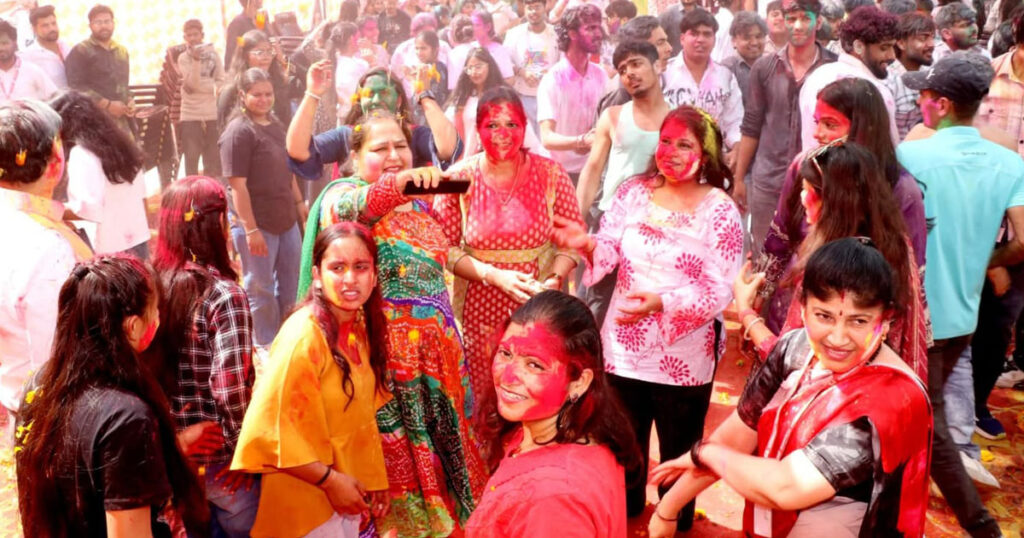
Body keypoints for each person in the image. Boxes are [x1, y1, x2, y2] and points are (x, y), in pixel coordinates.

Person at [647, 238, 932, 538]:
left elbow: (786, 487)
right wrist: (669, 507)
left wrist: (705, 454)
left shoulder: (894, 399)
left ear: (885, 321)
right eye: (824, 316)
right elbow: (736, 438)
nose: (837, 338)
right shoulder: (795, 349)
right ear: (804, 307)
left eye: (858, 321)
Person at [552, 105, 743, 532]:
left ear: (706, 155)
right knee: (624, 452)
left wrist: (662, 302)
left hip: (685, 358)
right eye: (665, 141)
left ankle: (674, 518)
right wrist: (585, 243)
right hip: (623, 348)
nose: (671, 151)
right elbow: (609, 249)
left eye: (684, 144)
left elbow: (720, 288)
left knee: (679, 455)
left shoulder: (720, 210)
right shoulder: (633, 192)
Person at [296, 111, 488, 535]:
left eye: (400, 145)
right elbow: (364, 204)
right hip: (388, 365)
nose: (394, 155)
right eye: (379, 149)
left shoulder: (419, 205)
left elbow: (442, 258)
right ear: (355, 157)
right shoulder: (344, 196)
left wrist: (492, 274)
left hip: (439, 359)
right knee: (399, 467)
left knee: (451, 466)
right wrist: (404, 181)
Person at [898, 51, 1024, 538]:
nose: (920, 103)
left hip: (914, 318)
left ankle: (978, 523)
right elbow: (1020, 241)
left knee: (924, 425)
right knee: (919, 416)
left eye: (924, 96)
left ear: (942, 103)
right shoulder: (1007, 161)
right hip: (962, 317)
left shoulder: (911, 156)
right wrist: (984, 262)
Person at [16, 254, 209, 537]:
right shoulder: (126, 417)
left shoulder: (39, 386)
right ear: (132, 327)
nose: (158, 318)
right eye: (155, 310)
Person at [231, 223, 391, 537]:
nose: (349, 279)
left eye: (360, 267)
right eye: (337, 268)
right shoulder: (303, 337)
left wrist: (375, 479)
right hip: (304, 511)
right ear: (317, 274)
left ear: (374, 275)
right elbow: (271, 435)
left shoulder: (357, 325)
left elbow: (359, 423)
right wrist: (330, 482)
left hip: (343, 500)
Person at [433, 86, 585, 405]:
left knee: (532, 392)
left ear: (525, 127)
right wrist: (494, 275)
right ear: (478, 129)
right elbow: (443, 248)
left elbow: (572, 242)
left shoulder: (551, 174)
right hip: (477, 310)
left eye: (512, 125)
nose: (502, 134)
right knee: (484, 396)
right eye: (492, 125)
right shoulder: (459, 177)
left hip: (538, 306)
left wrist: (554, 279)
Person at [740, 140, 929, 387]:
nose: (803, 198)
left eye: (811, 191)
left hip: (835, 400)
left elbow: (794, 361)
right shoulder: (897, 244)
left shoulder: (831, 261)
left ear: (838, 201)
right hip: (884, 390)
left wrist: (745, 312)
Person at [756, 78, 928, 334]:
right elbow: (779, 237)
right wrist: (759, 295)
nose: (817, 134)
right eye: (817, 123)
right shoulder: (806, 167)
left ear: (864, 128)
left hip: (856, 328)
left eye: (830, 124)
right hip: (791, 312)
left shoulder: (899, 189)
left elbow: (909, 277)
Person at [464, 291, 640, 536]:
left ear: (578, 382)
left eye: (534, 364)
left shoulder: (554, 500)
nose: (507, 376)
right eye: (505, 353)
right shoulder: (546, 430)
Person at [147, 175, 258, 537]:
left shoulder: (149, 285)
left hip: (174, 460)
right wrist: (245, 451)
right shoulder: (224, 295)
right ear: (219, 224)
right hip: (224, 464)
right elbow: (229, 389)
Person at [0, 99, 92, 444]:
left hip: (15, 405)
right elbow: (55, 356)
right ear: (56, 161)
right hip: (52, 424)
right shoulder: (44, 245)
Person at [575, 41, 670, 327]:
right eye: (622, 69)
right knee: (593, 304)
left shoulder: (679, 119)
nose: (629, 73)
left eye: (637, 63)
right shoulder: (613, 116)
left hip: (657, 227)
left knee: (644, 306)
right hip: (609, 224)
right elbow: (592, 169)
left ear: (657, 65)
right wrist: (578, 221)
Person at [733, 0, 836, 257]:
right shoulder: (765, 68)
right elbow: (752, 125)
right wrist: (739, 178)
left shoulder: (833, 67)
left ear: (818, 21)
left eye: (805, 18)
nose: (797, 25)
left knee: (814, 255)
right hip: (769, 180)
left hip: (819, 180)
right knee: (765, 255)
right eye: (791, 19)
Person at [220, 68, 306, 348]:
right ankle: (266, 343)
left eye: (268, 93)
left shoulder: (278, 126)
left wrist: (298, 204)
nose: (264, 99)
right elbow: (237, 187)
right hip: (258, 224)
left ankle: (288, 336)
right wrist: (250, 229)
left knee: (292, 279)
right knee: (261, 288)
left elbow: (289, 171)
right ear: (242, 96)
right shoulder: (238, 133)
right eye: (256, 94)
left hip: (286, 219)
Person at [287, 64, 461, 183]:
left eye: (384, 93)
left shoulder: (414, 134)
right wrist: (312, 94)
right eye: (369, 95)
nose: (376, 100)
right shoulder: (346, 135)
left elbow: (448, 148)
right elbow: (298, 151)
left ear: (399, 100)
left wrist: (423, 94)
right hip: (355, 231)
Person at [51, 91, 149, 258]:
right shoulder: (123, 144)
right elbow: (142, 197)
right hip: (139, 239)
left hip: (109, 249)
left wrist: (50, 210)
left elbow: (88, 209)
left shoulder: (82, 154)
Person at [797, 5, 900, 152]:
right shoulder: (875, 90)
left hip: (812, 171)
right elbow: (889, 151)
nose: (892, 56)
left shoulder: (816, 76)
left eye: (893, 48)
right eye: (884, 48)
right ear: (859, 46)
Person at [537, 4, 608, 183]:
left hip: (593, 170)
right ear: (572, 34)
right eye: (590, 28)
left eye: (598, 26)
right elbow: (547, 138)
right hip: (558, 174)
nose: (598, 33)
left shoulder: (600, 76)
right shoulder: (553, 80)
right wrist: (581, 141)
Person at [662, 10, 744, 152]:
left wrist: (737, 147)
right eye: (694, 34)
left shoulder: (726, 76)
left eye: (707, 34)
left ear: (714, 40)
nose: (700, 39)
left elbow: (735, 122)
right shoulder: (664, 74)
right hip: (673, 157)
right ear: (682, 39)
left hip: (715, 158)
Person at [445, 47, 544, 158]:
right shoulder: (463, 98)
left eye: (478, 67)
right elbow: (446, 125)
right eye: (470, 68)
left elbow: (524, 130)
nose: (474, 72)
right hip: (469, 161)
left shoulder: (504, 97)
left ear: (489, 66)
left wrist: (539, 156)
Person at [65, 5, 134, 132]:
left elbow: (123, 84)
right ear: (90, 25)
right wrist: (108, 105)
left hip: (122, 121)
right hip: (94, 121)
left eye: (107, 21)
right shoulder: (81, 51)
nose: (103, 26)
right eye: (98, 22)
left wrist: (130, 100)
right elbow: (76, 87)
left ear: (113, 23)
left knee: (128, 151)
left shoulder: (121, 51)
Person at [593, 16, 675, 115]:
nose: (669, 48)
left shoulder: (669, 77)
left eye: (666, 41)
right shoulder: (617, 104)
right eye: (660, 43)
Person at [178, 19, 225, 178]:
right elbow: (192, 85)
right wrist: (196, 61)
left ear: (202, 35)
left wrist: (210, 88)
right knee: (191, 161)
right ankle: (191, 199)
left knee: (213, 161)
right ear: (185, 37)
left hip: (212, 113)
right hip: (191, 114)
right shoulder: (183, 58)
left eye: (195, 34)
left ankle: (213, 197)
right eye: (189, 35)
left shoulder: (213, 55)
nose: (192, 38)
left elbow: (221, 80)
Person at [503, 0, 560, 130]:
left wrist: (549, 75)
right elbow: (505, 63)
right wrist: (522, 72)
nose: (533, 12)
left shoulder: (556, 34)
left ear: (545, 7)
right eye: (530, 8)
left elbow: (563, 63)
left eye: (537, 7)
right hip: (522, 97)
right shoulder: (513, 34)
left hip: (550, 98)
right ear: (524, 9)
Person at [218, 30, 293, 130]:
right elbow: (224, 130)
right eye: (259, 52)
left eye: (269, 52)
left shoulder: (278, 84)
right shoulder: (231, 90)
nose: (266, 57)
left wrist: (283, 61)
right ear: (245, 55)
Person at [885, 11, 934, 139]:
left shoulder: (932, 75)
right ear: (901, 44)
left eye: (932, 37)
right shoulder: (889, 82)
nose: (931, 44)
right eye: (923, 38)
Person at [448, 10, 515, 88]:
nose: (472, 28)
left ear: (488, 27)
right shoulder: (470, 48)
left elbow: (510, 80)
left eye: (476, 25)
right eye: (471, 25)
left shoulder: (498, 50)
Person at [0, 20, 56, 105]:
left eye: (5, 43)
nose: (1, 48)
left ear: (14, 43)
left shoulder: (32, 71)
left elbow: (55, 98)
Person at [20, 5, 71, 89]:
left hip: (74, 99)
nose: (52, 28)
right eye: (45, 25)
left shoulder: (65, 46)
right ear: (34, 29)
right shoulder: (28, 56)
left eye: (53, 23)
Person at [720, 11, 768, 100]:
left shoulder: (772, 66)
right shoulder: (726, 69)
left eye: (758, 36)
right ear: (734, 41)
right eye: (747, 38)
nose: (754, 43)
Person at [329, 22, 371, 122]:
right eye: (359, 37)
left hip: (345, 115)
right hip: (354, 117)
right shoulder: (352, 66)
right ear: (352, 39)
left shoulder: (336, 62)